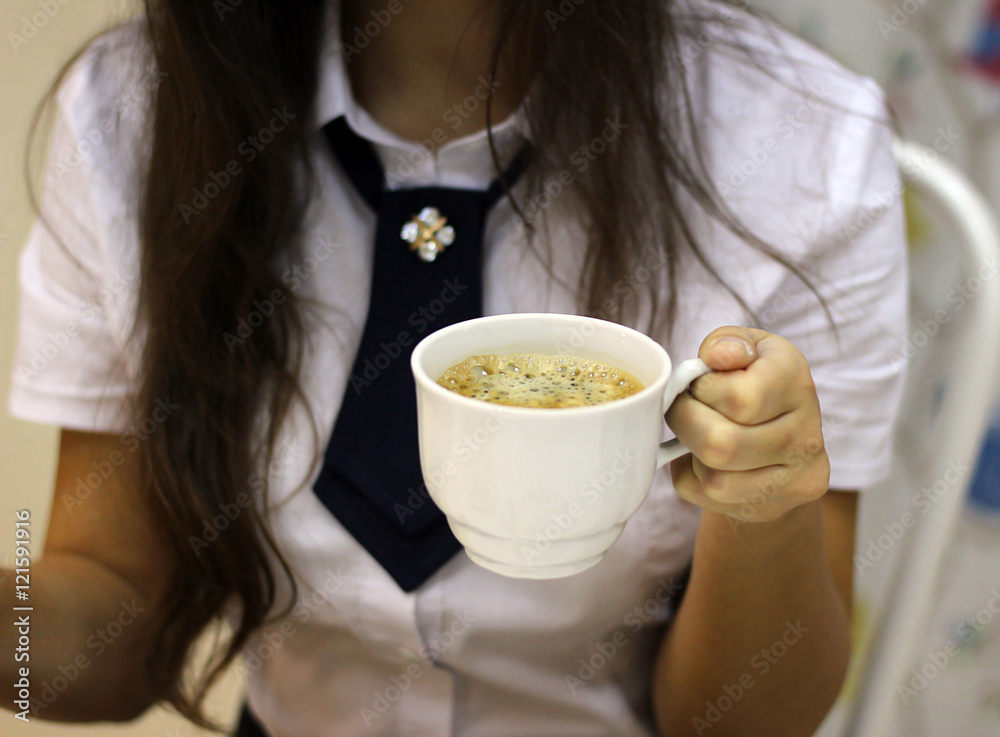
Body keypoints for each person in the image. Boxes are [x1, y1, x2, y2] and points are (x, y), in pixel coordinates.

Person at [1, 0, 908, 735]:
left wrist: (763, 507)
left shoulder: (802, 146)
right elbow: (112, 627)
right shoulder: (134, 113)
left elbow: (746, 721)